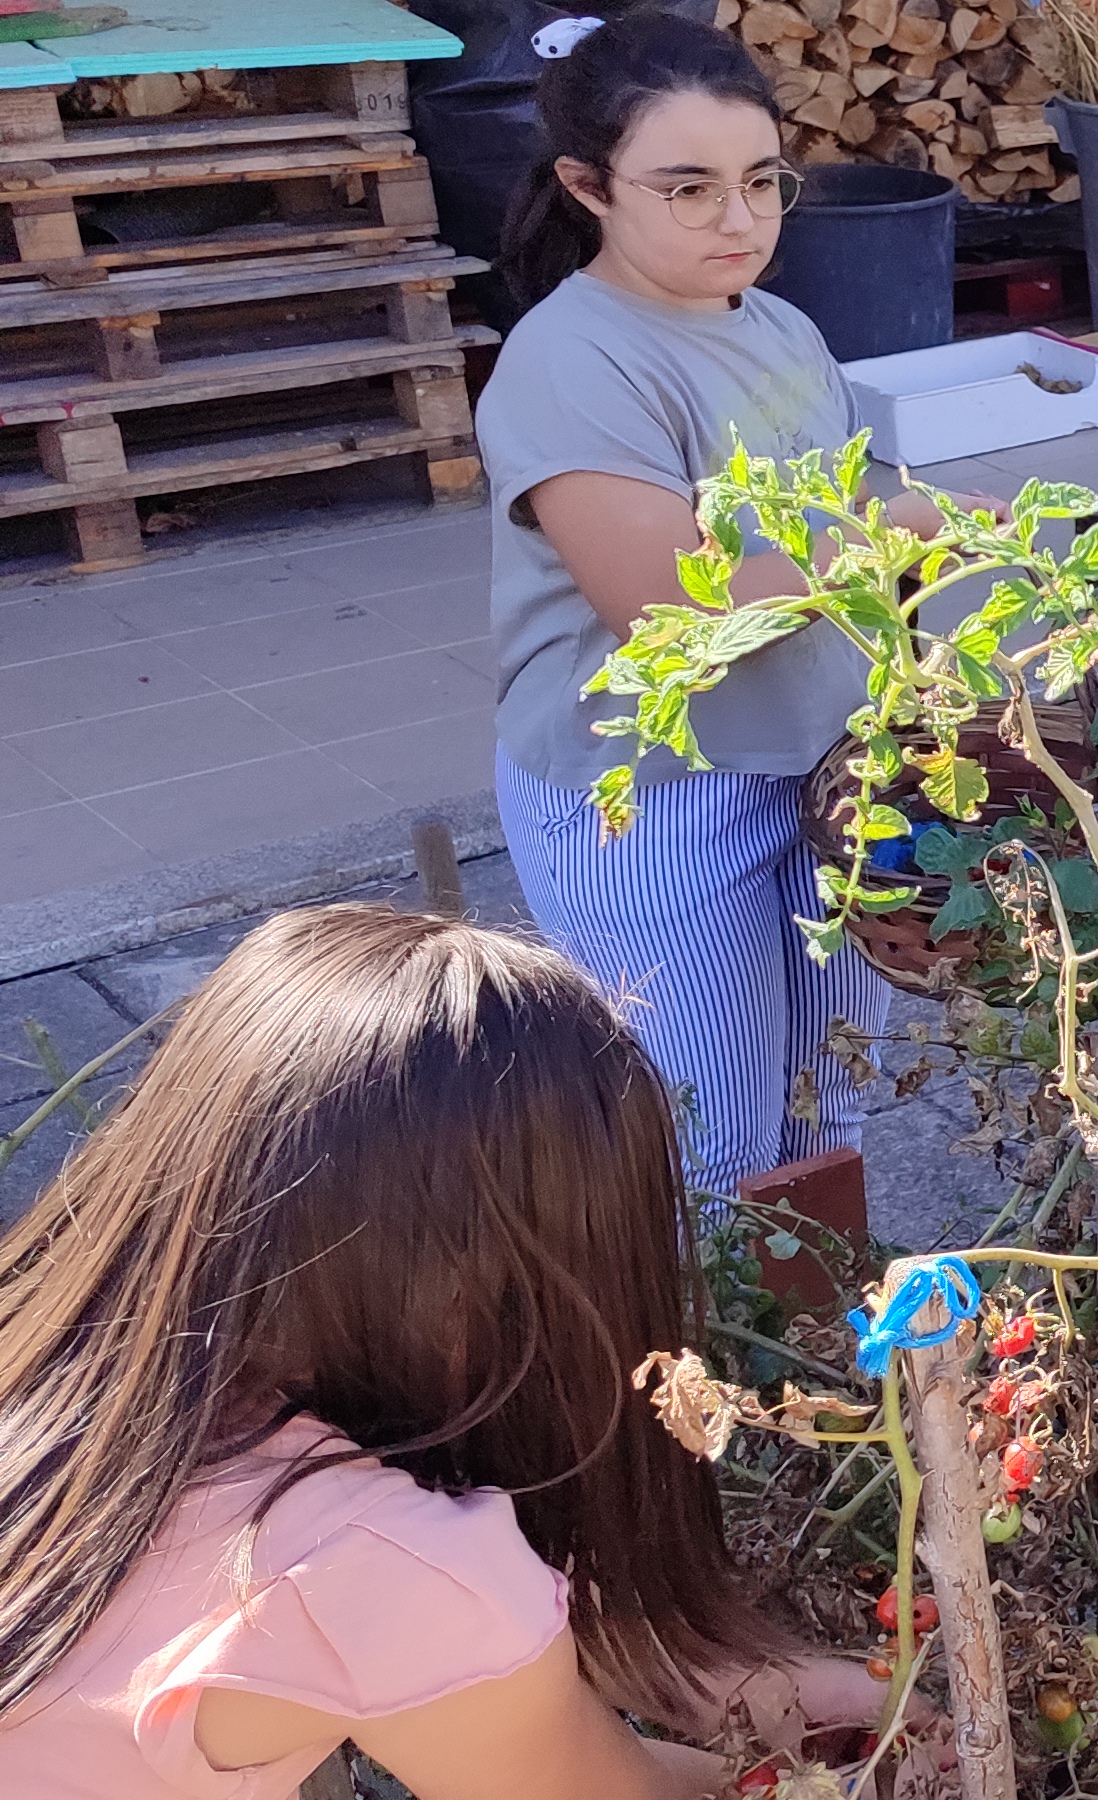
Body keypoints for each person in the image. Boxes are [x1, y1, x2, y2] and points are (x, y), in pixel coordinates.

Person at [0, 905, 914, 1798]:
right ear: (529, 1296)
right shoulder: (379, 1564)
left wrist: (710, 1668)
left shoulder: (57, 1365)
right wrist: (864, 1781)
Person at [478, 10, 932, 1198]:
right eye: (687, 189)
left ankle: (825, 1358)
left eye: (761, 182)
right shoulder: (570, 362)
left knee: (830, 1098)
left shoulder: (778, 326)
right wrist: (900, 533)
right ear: (588, 185)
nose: (739, 221)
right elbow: (668, 611)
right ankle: (705, 1377)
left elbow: (854, 506)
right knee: (706, 1138)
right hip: (655, 793)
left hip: (822, 766)